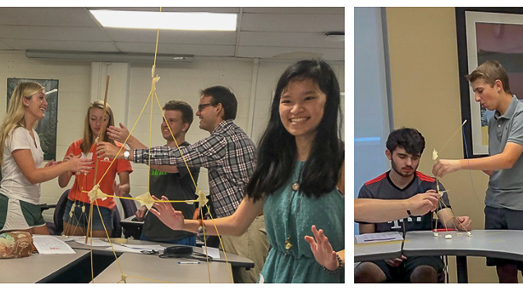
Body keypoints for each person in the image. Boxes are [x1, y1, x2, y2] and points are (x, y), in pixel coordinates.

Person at [151, 60, 344, 283]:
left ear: (328, 102)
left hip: (322, 275)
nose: (295, 109)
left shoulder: (339, 160)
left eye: (308, 98)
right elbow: (236, 223)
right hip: (276, 273)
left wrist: (336, 260)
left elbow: (355, 237)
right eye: (287, 100)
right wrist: (183, 224)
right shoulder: (274, 163)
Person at [98, 86, 264, 282]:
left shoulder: (223, 140)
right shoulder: (226, 137)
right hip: (232, 226)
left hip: (241, 228)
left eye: (202, 107)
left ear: (218, 108)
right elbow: (162, 158)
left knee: (245, 281)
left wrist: (125, 150)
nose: (198, 112)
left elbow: (175, 159)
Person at [433, 60, 523, 283]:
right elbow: (496, 167)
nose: (477, 98)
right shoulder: (494, 121)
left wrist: (459, 164)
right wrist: (485, 166)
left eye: (480, 91)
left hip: (522, 206)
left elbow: (507, 160)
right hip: (495, 203)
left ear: (497, 85)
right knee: (503, 270)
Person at [356, 128, 472, 283]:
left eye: (415, 158)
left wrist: (458, 222)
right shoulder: (370, 189)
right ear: (389, 154)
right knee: (364, 273)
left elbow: (448, 219)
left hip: (421, 255)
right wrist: (384, 253)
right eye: (402, 157)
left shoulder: (430, 185)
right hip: (383, 256)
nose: (409, 163)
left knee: (424, 273)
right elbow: (366, 236)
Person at [0, 82, 93, 235]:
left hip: (31, 203)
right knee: (24, 256)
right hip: (15, 202)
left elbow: (32, 172)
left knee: (48, 247)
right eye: (40, 98)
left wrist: (49, 169)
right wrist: (68, 166)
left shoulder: (32, 134)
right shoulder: (17, 133)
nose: (45, 103)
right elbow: (32, 176)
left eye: (45, 99)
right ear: (25, 101)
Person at [103, 100, 201, 246]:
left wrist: (128, 142)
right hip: (150, 232)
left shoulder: (190, 154)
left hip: (178, 235)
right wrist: (145, 206)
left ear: (184, 126)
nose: (165, 124)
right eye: (164, 120)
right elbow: (158, 189)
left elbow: (164, 163)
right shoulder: (156, 154)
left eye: (172, 121)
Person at [58, 101, 132, 238]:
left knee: (97, 254)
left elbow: (126, 185)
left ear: (109, 121)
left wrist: (122, 189)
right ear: (88, 121)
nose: (98, 123)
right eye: (93, 119)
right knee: (74, 250)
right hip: (75, 205)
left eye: (103, 119)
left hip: (102, 208)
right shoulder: (76, 146)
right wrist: (64, 167)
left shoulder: (118, 149)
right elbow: (62, 183)